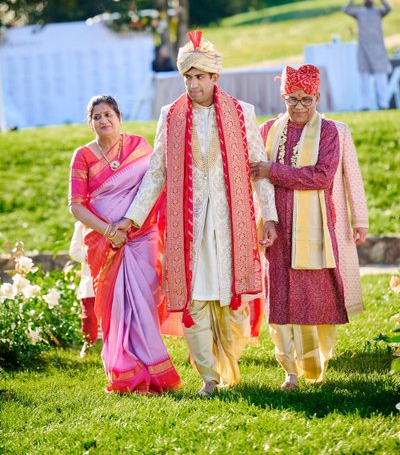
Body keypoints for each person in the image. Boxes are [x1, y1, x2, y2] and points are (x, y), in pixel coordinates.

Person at [115, 31, 278, 397]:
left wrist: (269, 216)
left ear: (215, 78)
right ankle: (208, 377)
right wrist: (133, 217)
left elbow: (257, 167)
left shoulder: (241, 113)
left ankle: (228, 359)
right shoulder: (169, 116)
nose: (192, 84)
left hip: (229, 223)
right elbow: (157, 172)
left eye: (199, 77)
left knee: (231, 300)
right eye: (187, 77)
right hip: (185, 225)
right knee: (193, 297)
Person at [69, 95, 181, 394]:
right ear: (90, 122)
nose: (103, 121)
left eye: (108, 114)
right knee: (115, 308)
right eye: (97, 116)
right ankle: (123, 371)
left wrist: (129, 224)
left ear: (119, 117)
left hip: (141, 235)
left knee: (143, 301)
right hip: (104, 242)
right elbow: (76, 206)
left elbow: (152, 188)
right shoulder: (83, 156)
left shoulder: (139, 146)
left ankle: (154, 370)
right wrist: (109, 231)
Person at [250, 64, 347, 391]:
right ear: (283, 97)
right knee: (278, 296)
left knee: (309, 296)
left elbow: (321, 176)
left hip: (314, 227)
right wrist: (267, 217)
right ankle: (289, 371)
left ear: (318, 96)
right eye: (292, 99)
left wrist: (272, 170)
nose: (299, 106)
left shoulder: (329, 131)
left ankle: (315, 365)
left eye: (306, 99)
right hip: (276, 227)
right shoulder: (267, 130)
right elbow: (256, 180)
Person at [331, 120, 368, 316]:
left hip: (335, 215)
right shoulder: (277, 129)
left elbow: (352, 176)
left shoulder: (339, 130)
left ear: (317, 97)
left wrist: (360, 219)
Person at [343, 0, 391, 110]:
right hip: (363, 49)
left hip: (378, 48)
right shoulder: (360, 12)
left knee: (381, 78)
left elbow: (388, 8)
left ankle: (384, 104)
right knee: (363, 78)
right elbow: (346, 10)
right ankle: (365, 105)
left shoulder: (378, 12)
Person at [68, 220, 98, 358]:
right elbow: (74, 251)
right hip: (89, 277)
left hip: (110, 275)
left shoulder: (112, 218)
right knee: (88, 315)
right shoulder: (81, 224)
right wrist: (90, 258)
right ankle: (89, 343)